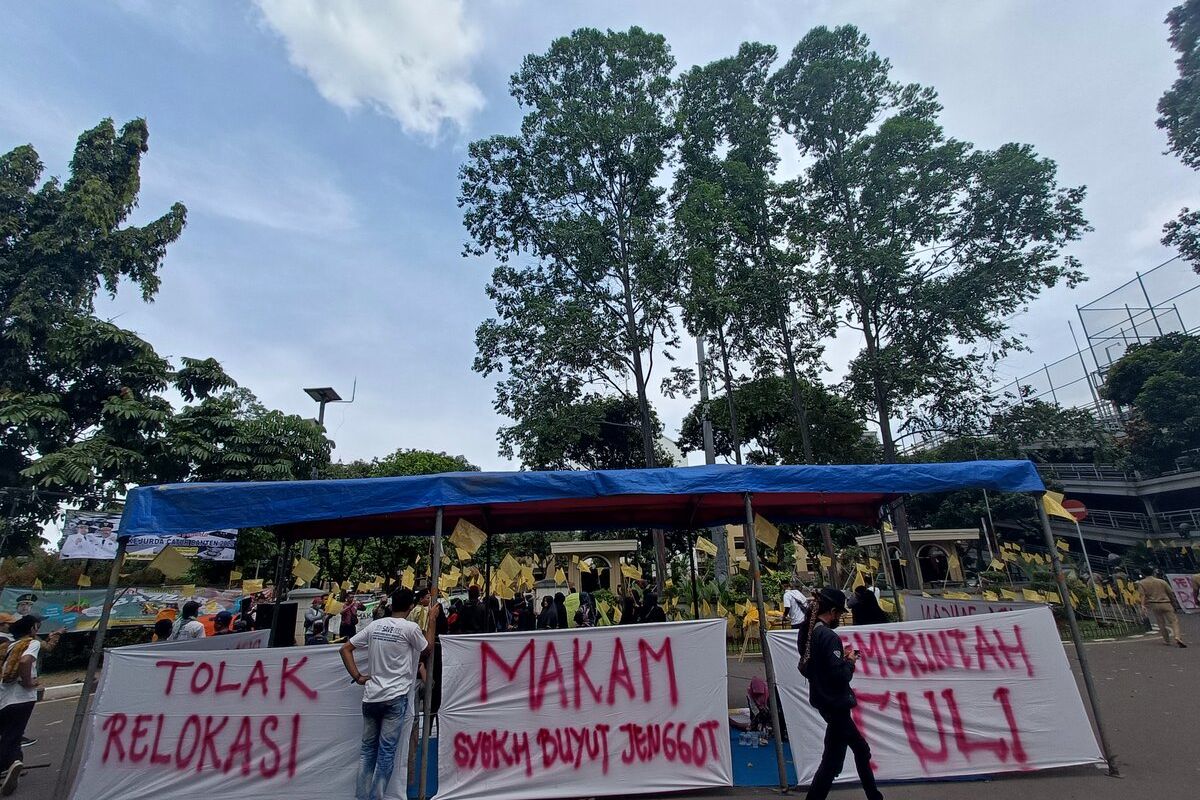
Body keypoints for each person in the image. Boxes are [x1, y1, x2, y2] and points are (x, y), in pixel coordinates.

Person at [340, 588, 432, 800]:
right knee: (386, 753)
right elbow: (426, 649)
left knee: (367, 752)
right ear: (411, 606)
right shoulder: (410, 628)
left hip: (371, 697)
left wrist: (358, 676)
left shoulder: (375, 625)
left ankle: (362, 797)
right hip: (395, 698)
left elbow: (345, 649)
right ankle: (377, 796)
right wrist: (433, 620)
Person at [796, 588, 883, 800]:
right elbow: (839, 676)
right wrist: (850, 662)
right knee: (832, 762)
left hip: (826, 701)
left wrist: (838, 660)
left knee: (858, 751)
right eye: (839, 614)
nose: (840, 618)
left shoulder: (808, 633)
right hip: (835, 704)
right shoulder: (828, 635)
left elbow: (814, 665)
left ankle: (874, 796)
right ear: (833, 611)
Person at [0, 615, 61, 795]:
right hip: (22, 698)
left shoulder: (8, 645)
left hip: (4, 698)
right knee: (13, 734)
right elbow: (26, 661)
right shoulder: (30, 643)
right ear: (33, 629)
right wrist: (28, 682)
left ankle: (14, 762)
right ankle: (10, 763)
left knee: (8, 733)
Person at [1138, 570, 1187, 648]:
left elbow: (1142, 595)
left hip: (1154, 604)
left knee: (1161, 622)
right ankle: (1177, 637)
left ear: (1142, 574)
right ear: (1153, 573)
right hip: (1166, 603)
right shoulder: (1161, 582)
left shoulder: (1141, 583)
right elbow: (1170, 593)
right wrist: (1174, 603)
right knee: (1174, 621)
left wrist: (1142, 605)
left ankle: (1166, 640)